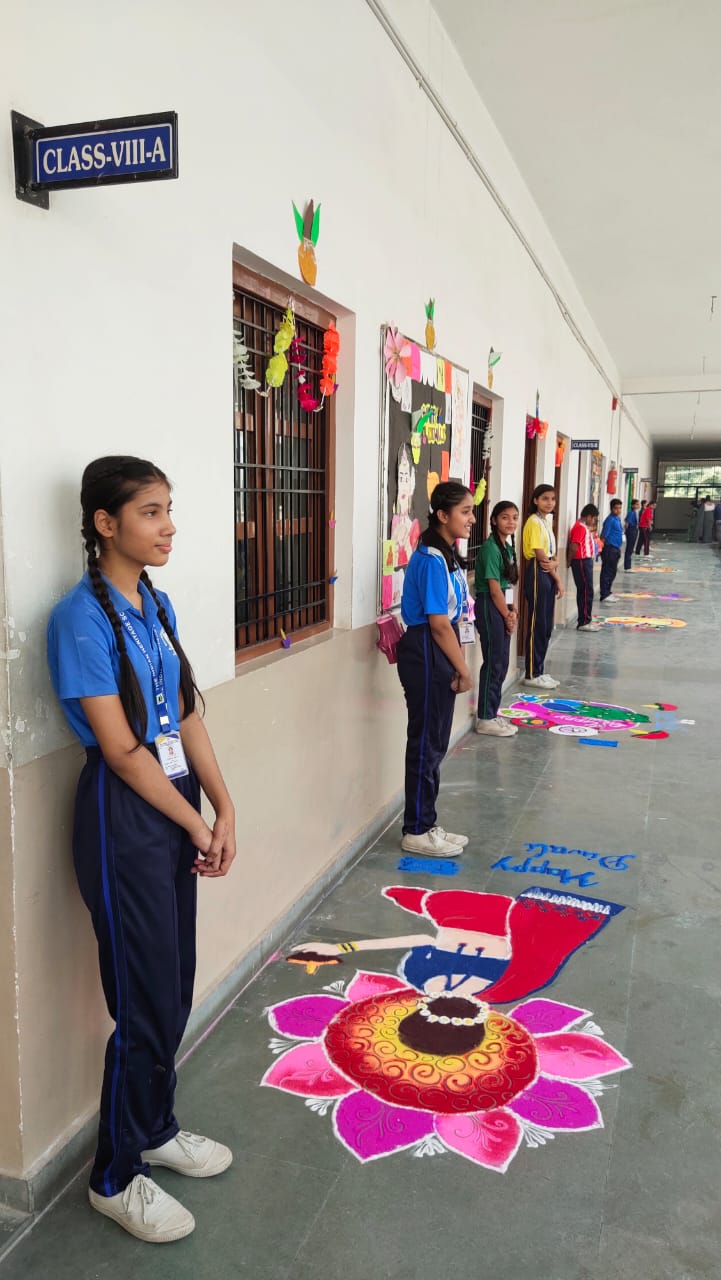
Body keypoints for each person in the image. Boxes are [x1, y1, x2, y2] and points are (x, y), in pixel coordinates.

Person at [47, 457, 236, 1245]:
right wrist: (193, 825)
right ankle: (114, 1175)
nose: (167, 526)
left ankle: (155, 1127)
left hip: (174, 802)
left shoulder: (152, 602)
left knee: (175, 982)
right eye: (151, 512)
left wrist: (223, 805)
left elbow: (185, 712)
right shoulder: (77, 618)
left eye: (168, 510)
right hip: (122, 816)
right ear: (105, 523)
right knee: (142, 995)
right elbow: (124, 751)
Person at [396, 482, 475, 858]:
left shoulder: (446, 557)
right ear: (443, 516)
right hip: (427, 648)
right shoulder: (429, 559)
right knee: (426, 742)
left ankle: (427, 821)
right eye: (465, 512)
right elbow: (439, 623)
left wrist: (457, 663)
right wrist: (464, 669)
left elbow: (453, 621)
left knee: (437, 742)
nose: (472, 519)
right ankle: (415, 829)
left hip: (439, 647)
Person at [474, 501, 519, 736]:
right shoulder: (490, 548)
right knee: (494, 662)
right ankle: (484, 718)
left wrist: (513, 611)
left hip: (502, 606)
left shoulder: (508, 547)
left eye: (514, 517)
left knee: (501, 662)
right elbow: (493, 589)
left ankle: (492, 712)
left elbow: (508, 584)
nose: (510, 522)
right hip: (490, 606)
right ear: (493, 520)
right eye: (504, 517)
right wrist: (506, 615)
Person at [521, 484, 564, 689]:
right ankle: (531, 673)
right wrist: (557, 577)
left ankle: (539, 669)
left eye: (552, 499)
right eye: (545, 498)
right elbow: (541, 556)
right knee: (537, 624)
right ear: (535, 500)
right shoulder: (533, 522)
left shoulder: (545, 522)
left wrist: (554, 564)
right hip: (538, 573)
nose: (549, 503)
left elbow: (551, 556)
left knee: (546, 625)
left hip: (546, 571)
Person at [567, 504, 602, 631]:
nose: (593, 521)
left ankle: (584, 619)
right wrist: (569, 561)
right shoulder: (580, 527)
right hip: (581, 561)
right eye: (593, 518)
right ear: (588, 516)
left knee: (585, 591)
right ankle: (584, 621)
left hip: (585, 560)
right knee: (587, 591)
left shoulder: (583, 526)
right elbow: (574, 546)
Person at [599, 499, 624, 603]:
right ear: (611, 508)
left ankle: (608, 592)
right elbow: (604, 536)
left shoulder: (617, 519)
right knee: (607, 571)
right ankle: (604, 594)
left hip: (616, 548)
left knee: (612, 572)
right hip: (609, 548)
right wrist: (600, 549)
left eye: (619, 508)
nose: (618, 510)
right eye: (616, 508)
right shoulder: (610, 520)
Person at [624, 499, 640, 569]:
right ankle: (627, 567)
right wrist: (626, 531)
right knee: (629, 548)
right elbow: (627, 523)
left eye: (638, 504)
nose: (638, 505)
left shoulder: (636, 512)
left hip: (635, 530)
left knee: (631, 548)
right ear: (633, 505)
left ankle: (628, 565)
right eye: (636, 504)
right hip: (631, 530)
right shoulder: (631, 513)